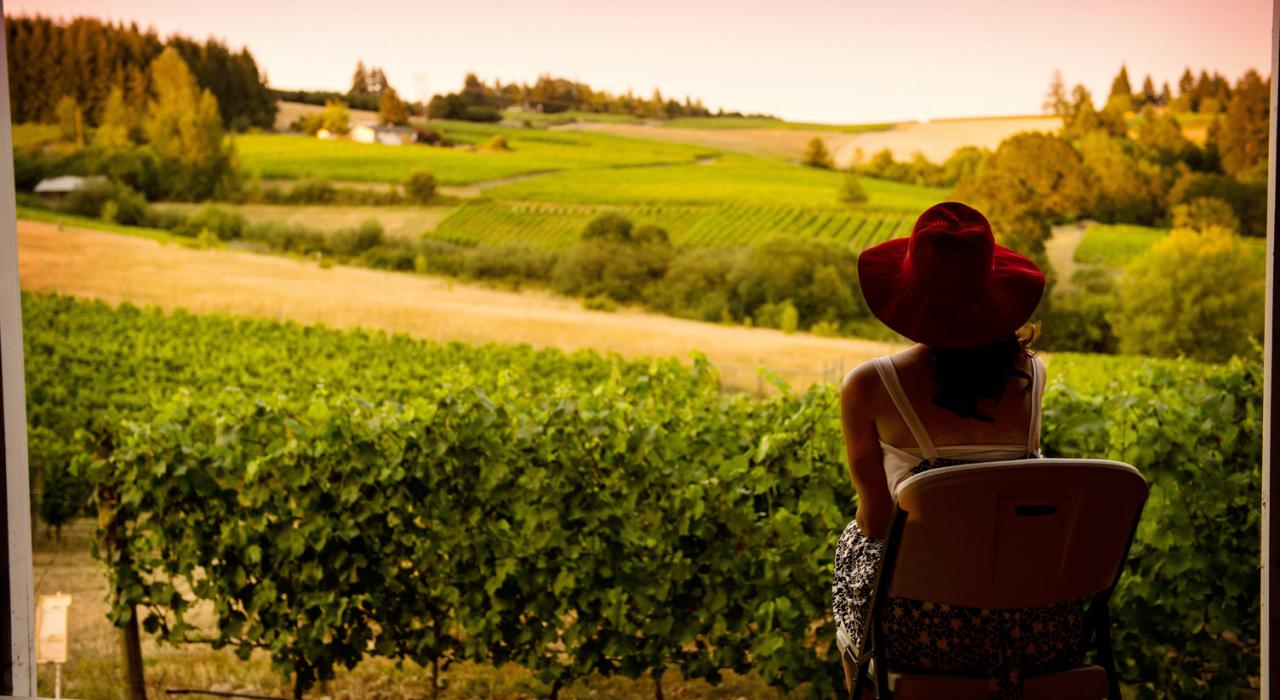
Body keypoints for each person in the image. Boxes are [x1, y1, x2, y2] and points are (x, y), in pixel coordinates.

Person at [832, 202, 1083, 699]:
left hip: (924, 632)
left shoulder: (867, 387)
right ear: (994, 292)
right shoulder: (1033, 377)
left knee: (852, 556)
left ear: (910, 296)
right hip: (1037, 627)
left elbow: (876, 522)